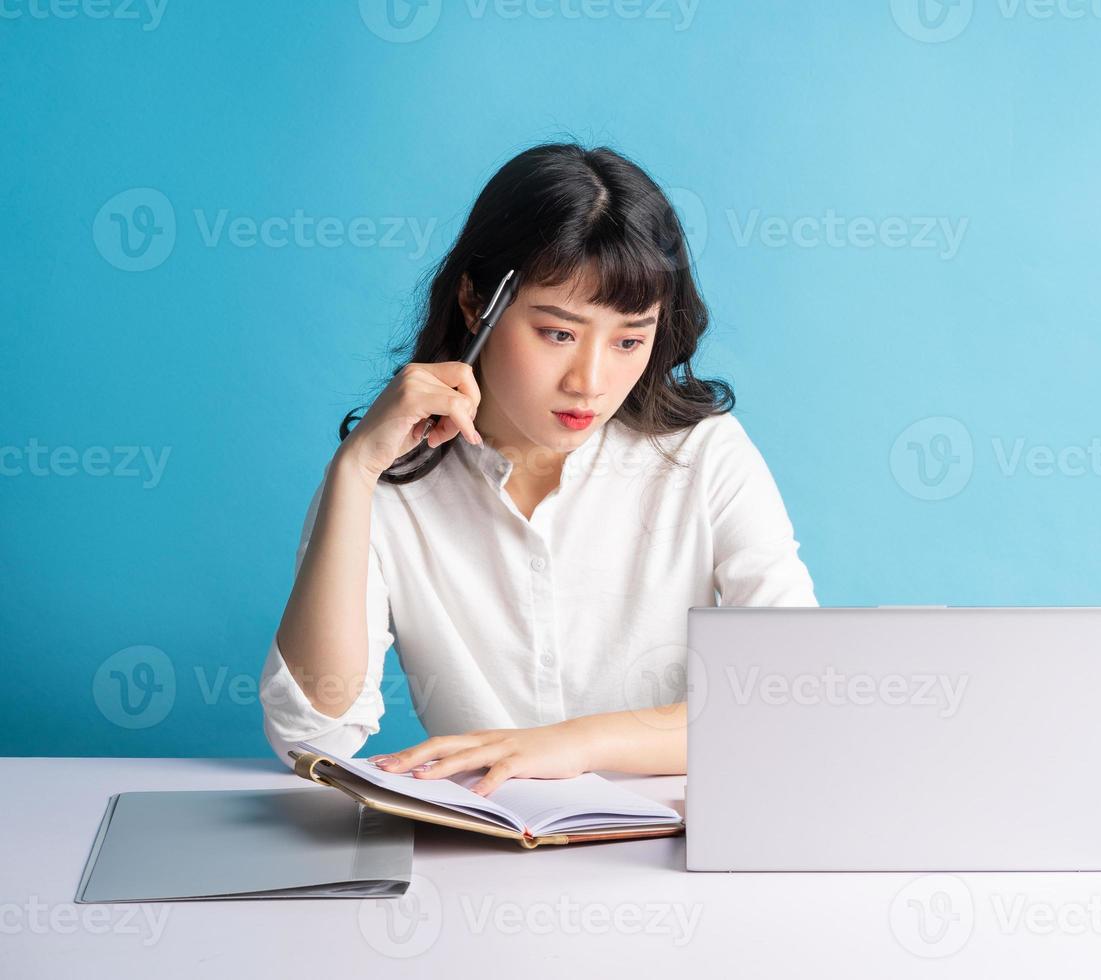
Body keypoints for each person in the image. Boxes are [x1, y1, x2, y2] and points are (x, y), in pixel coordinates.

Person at [259, 143, 818, 796]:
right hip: (480, 861)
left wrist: (568, 745)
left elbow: (788, 699)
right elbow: (311, 736)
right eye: (557, 333)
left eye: (630, 341)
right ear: (477, 304)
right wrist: (353, 472)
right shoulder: (388, 480)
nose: (590, 381)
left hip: (665, 859)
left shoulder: (704, 455)